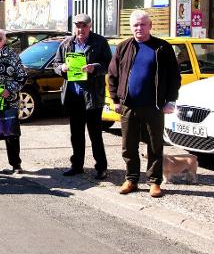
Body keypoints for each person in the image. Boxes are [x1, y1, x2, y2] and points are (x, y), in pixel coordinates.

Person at [108, 10, 180, 198]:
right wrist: (115, 99)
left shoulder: (162, 48)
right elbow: (113, 75)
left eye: (142, 24)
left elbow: (174, 77)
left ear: (150, 26)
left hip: (154, 106)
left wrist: (170, 101)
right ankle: (131, 179)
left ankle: (154, 182)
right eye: (135, 25)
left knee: (155, 145)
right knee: (128, 145)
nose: (139, 28)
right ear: (131, 27)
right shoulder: (123, 47)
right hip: (129, 106)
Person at [54, 13, 112, 180]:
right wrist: (62, 68)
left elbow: (109, 65)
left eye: (84, 26)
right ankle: (77, 165)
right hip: (74, 96)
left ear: (90, 26)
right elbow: (56, 65)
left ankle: (101, 167)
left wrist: (94, 68)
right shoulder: (66, 43)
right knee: (76, 134)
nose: (81, 29)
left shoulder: (99, 42)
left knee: (95, 134)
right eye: (78, 26)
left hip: (92, 96)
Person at [0, 29, 27, 174]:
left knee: (11, 134)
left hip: (9, 101)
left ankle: (16, 164)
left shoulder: (12, 56)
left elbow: (22, 77)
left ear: (4, 40)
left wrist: (9, 89)